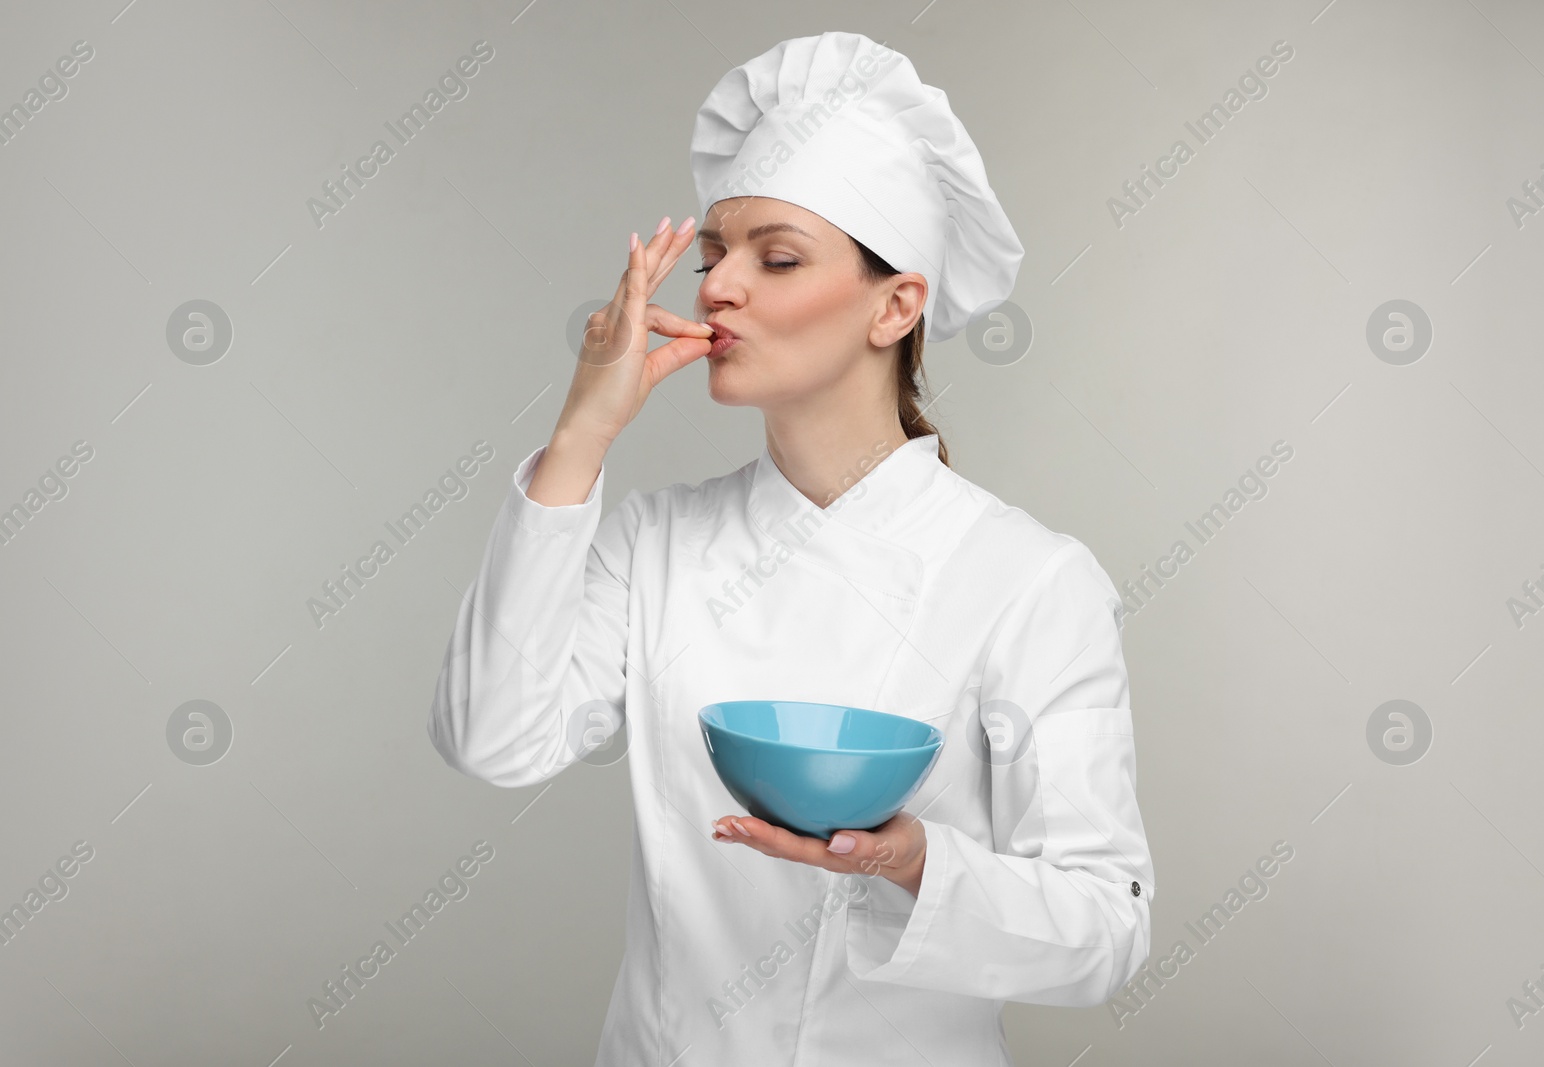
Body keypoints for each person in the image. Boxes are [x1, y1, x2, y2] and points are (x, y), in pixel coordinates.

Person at [428, 30, 1154, 1066]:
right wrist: (581, 433)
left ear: (895, 304)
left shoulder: (1027, 580)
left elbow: (1105, 928)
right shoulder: (655, 542)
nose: (717, 286)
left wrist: (916, 865)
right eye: (716, 253)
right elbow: (490, 737)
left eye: (776, 257)